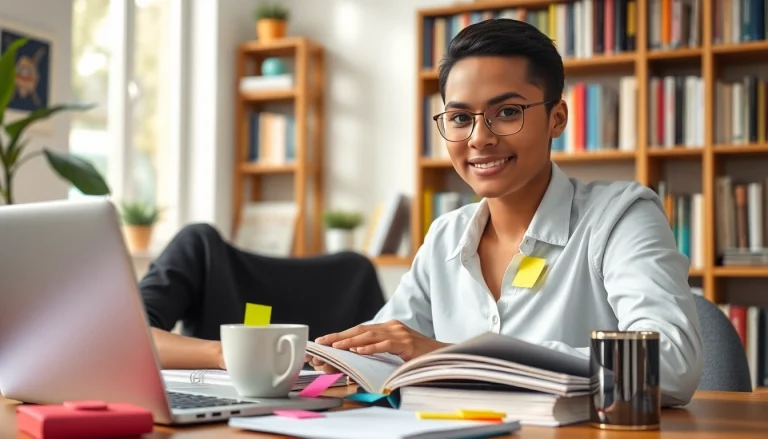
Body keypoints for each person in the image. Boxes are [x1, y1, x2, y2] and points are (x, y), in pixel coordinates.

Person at [308, 18, 703, 407]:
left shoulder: (621, 217)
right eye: (461, 118)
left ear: (557, 118)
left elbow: (669, 363)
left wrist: (459, 357)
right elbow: (389, 349)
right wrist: (339, 357)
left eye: (508, 112)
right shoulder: (446, 235)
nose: (480, 138)